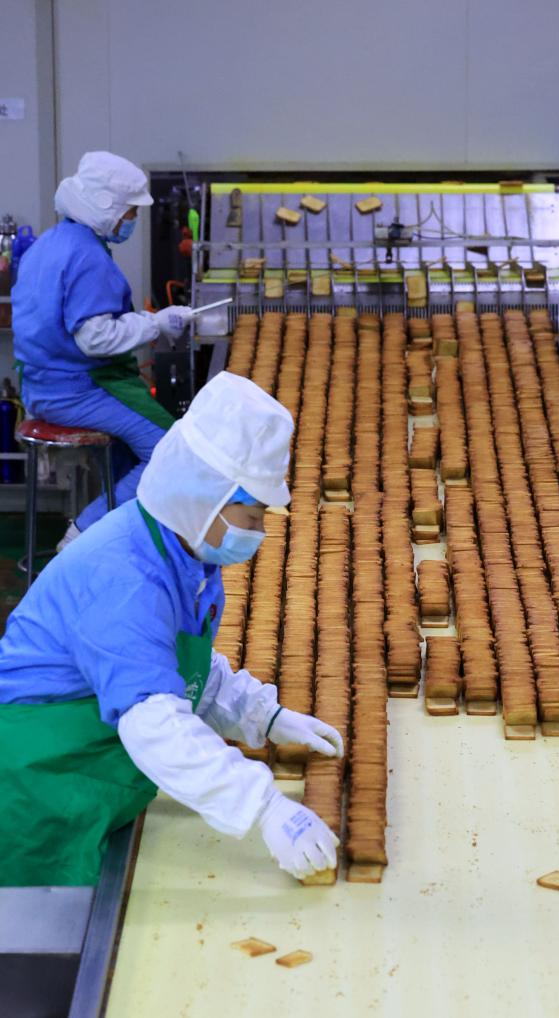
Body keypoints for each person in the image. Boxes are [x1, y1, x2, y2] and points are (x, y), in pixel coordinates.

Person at [0, 371, 342, 886]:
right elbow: (155, 723)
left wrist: (261, 715)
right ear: (204, 497)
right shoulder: (126, 581)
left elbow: (178, 667)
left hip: (92, 764)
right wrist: (263, 805)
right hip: (41, 781)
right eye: (252, 516)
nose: (259, 532)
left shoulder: (182, 555)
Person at [11, 151, 193, 549]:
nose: (132, 220)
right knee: (171, 453)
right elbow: (95, 339)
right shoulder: (87, 256)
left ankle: (123, 538)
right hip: (75, 390)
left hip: (40, 386)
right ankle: (84, 536)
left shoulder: (50, 243)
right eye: (131, 212)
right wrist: (157, 324)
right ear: (107, 206)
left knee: (131, 451)